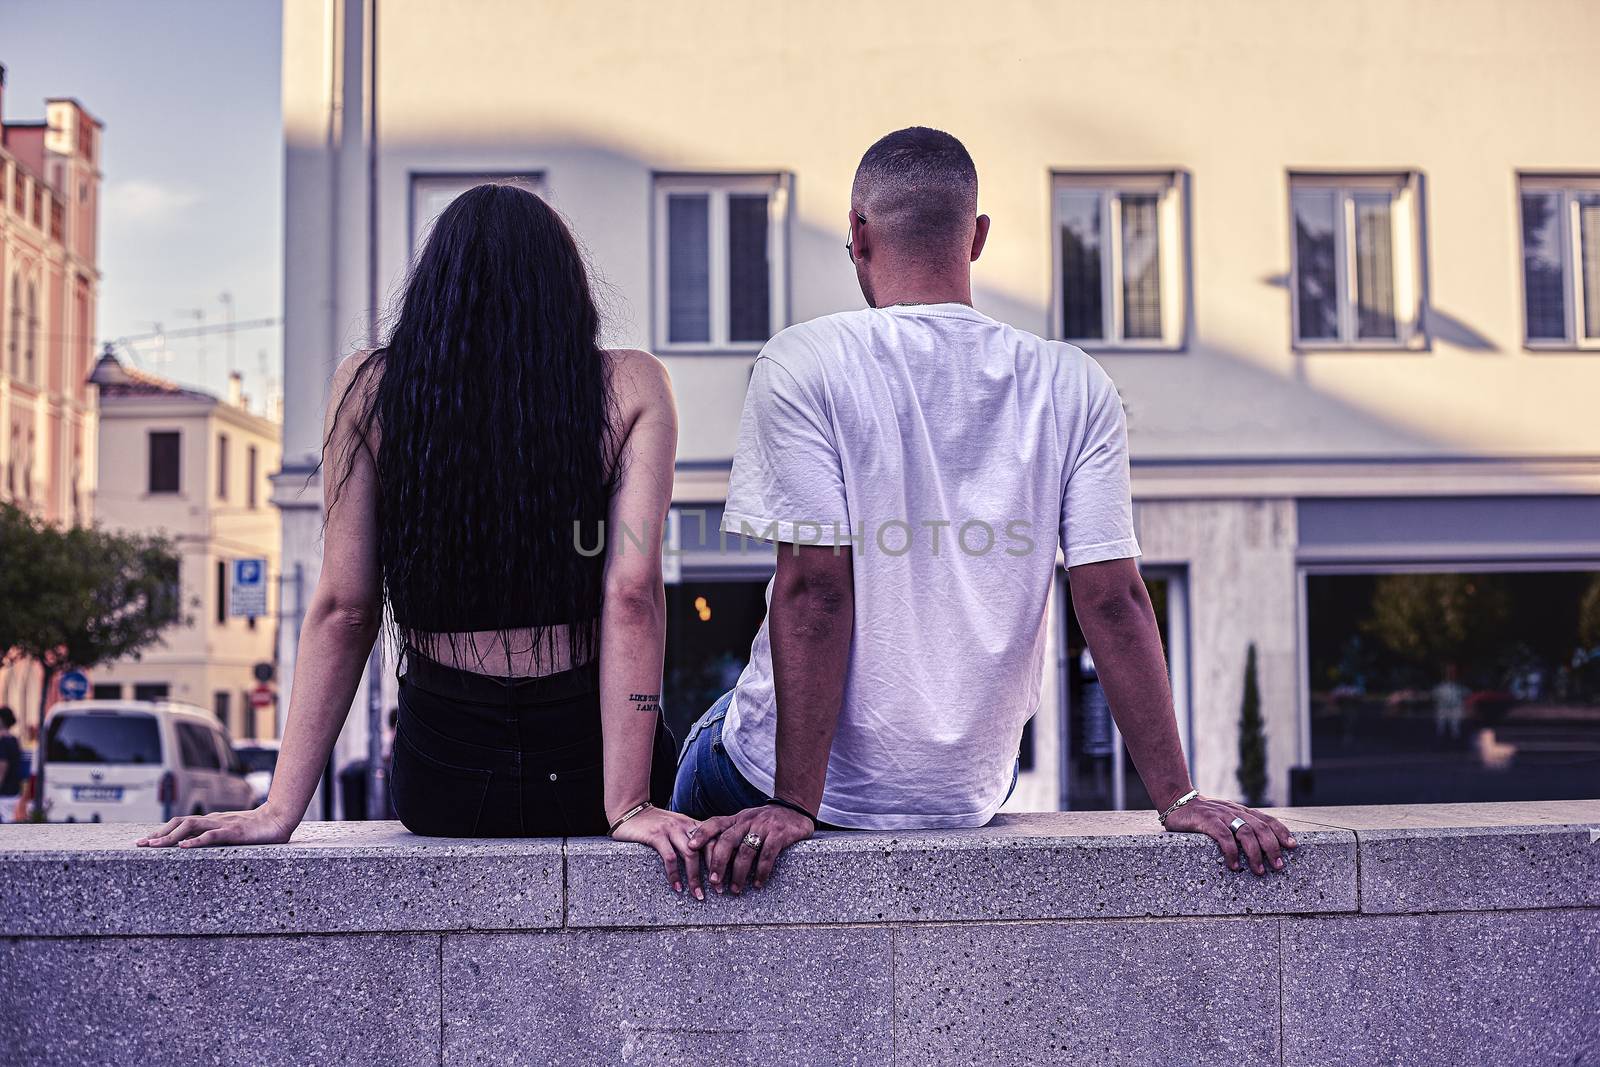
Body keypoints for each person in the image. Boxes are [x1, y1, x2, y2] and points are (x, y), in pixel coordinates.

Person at [674, 127, 1297, 893]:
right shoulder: (1074, 383)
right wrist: (1179, 795)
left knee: (706, 735)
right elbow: (1113, 597)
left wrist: (794, 803)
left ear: (858, 237)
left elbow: (816, 591)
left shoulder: (805, 360)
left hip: (800, 786)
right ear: (977, 237)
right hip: (966, 791)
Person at [136, 184, 704, 895]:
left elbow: (344, 607)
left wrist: (280, 808)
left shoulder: (369, 389)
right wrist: (628, 805)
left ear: (436, 287)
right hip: (590, 773)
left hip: (446, 781)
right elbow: (631, 595)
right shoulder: (633, 384)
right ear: (567, 286)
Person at [0, 707, 22, 824]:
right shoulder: (14, 740)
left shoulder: (2, 741)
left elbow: (2, 767)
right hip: (14, 790)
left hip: (4, 792)